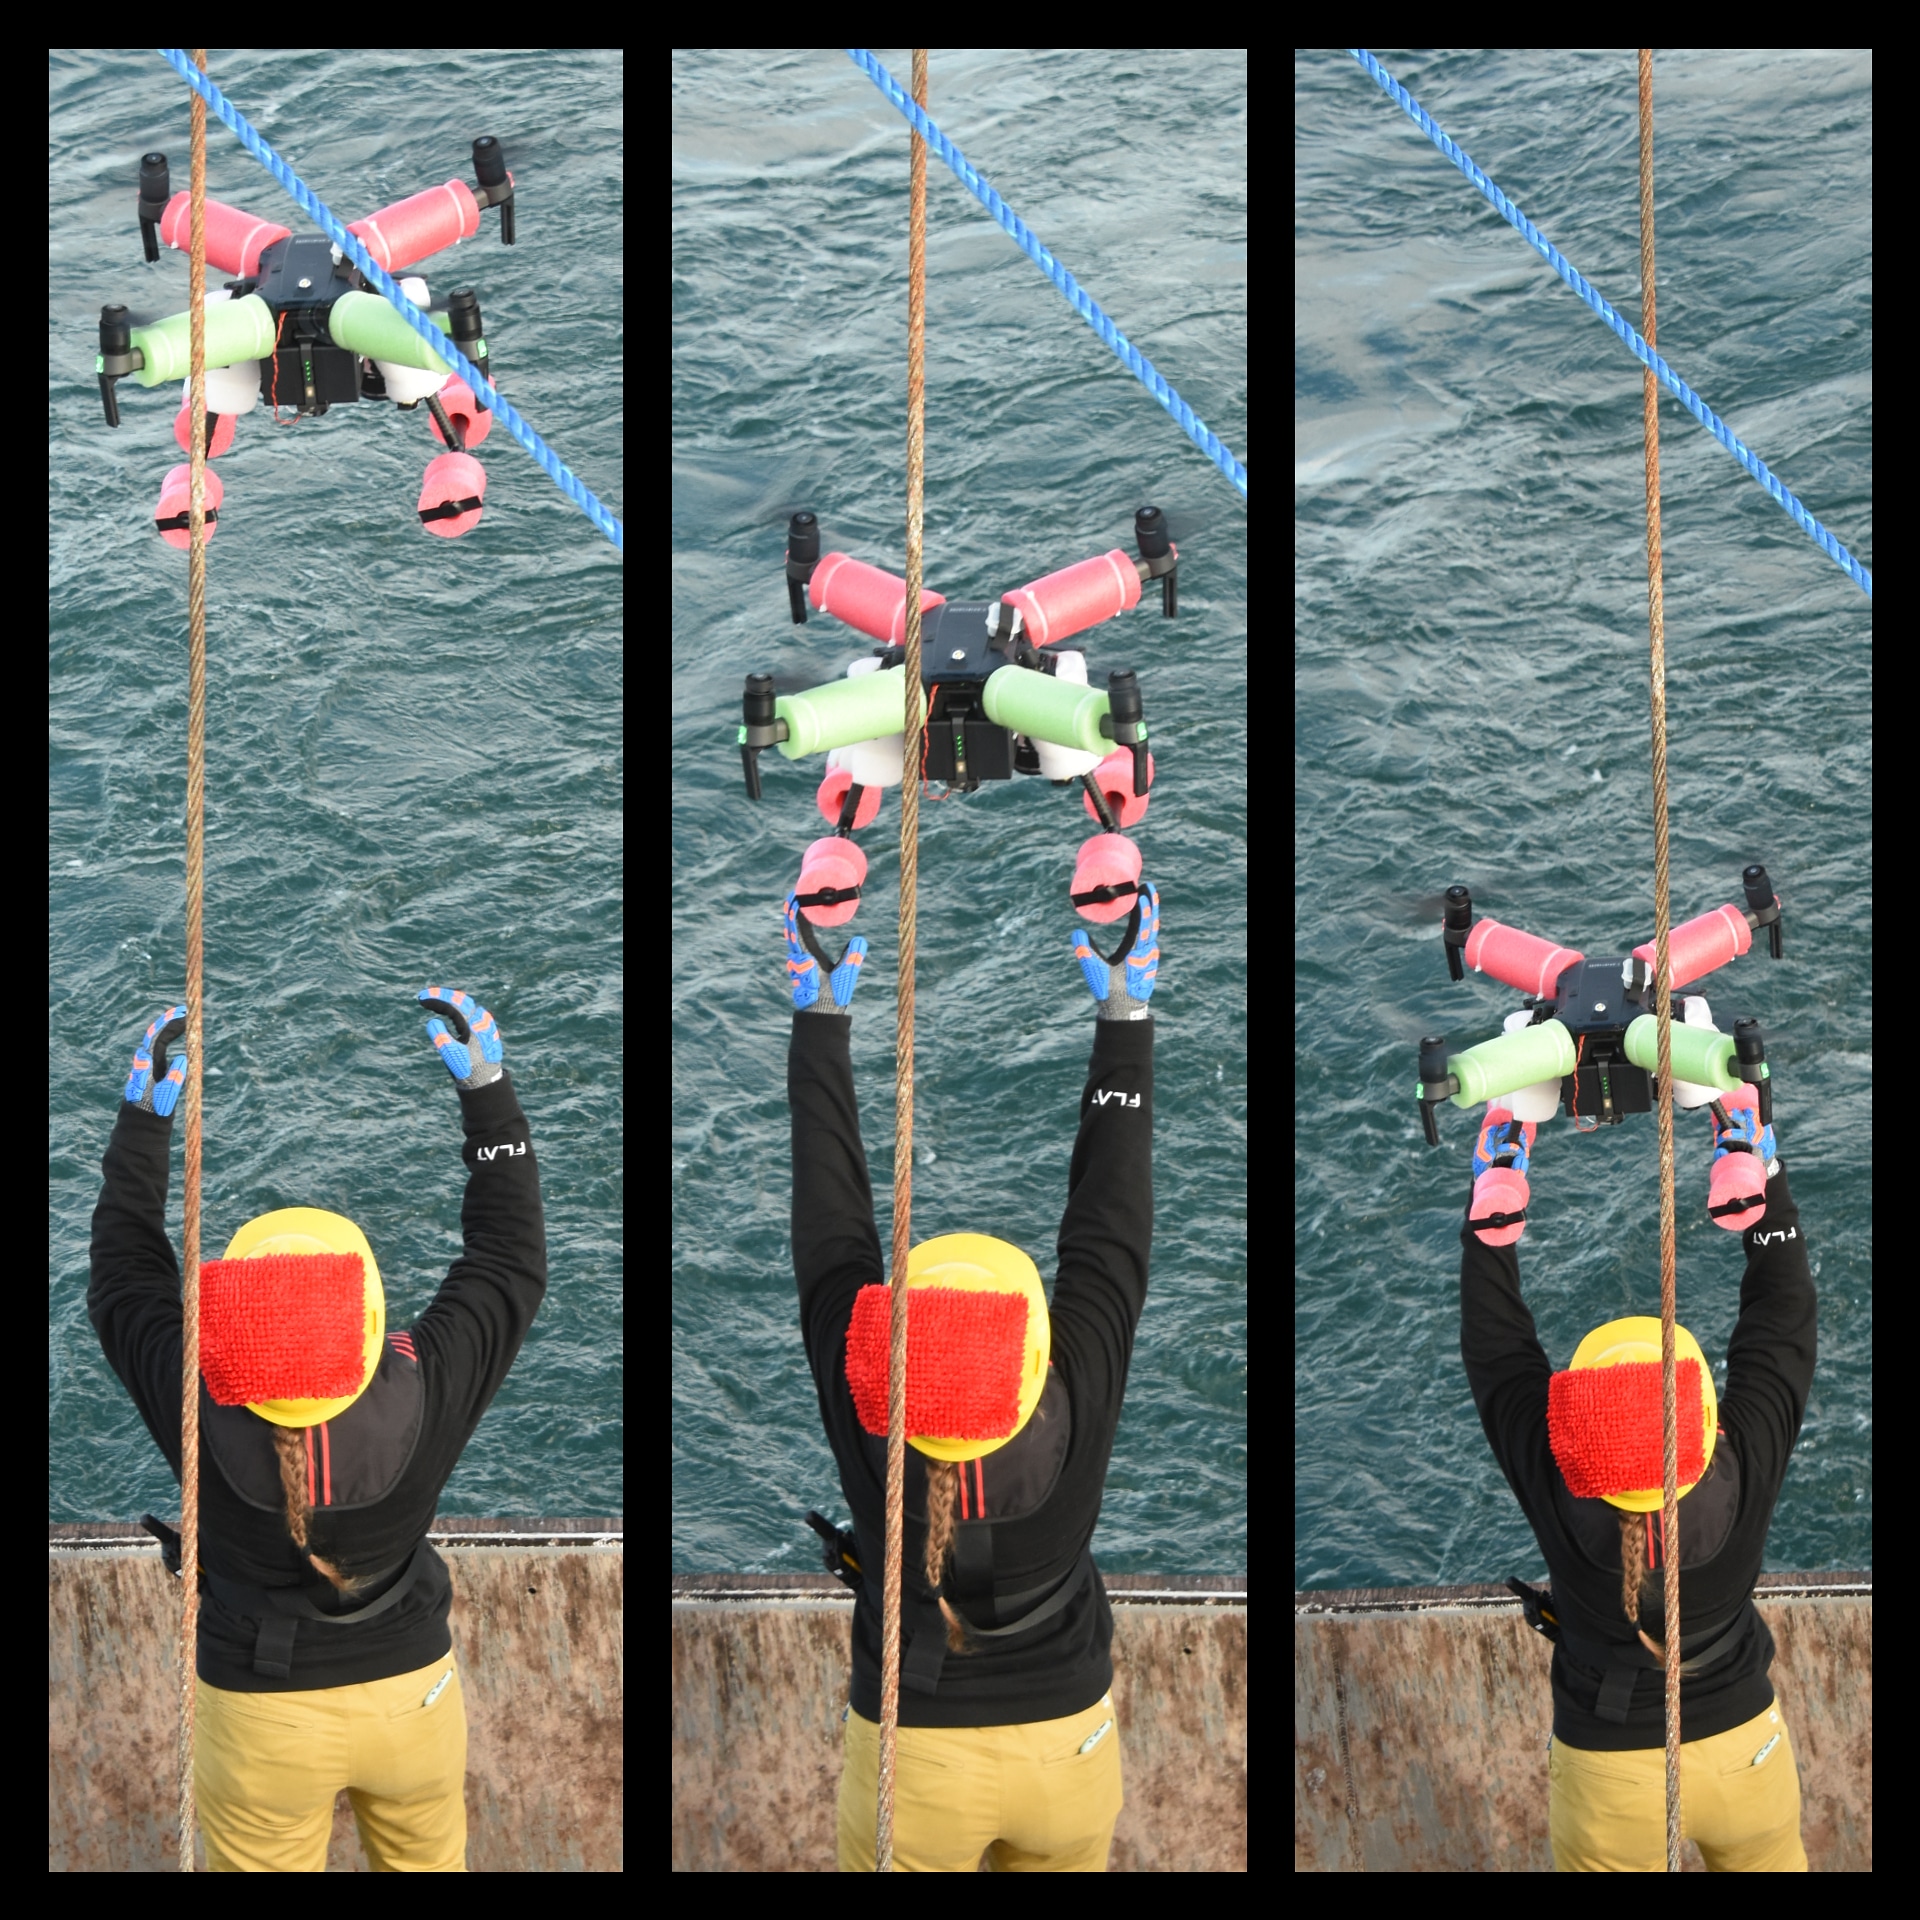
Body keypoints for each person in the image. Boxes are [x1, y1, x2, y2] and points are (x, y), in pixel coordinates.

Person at [87, 987, 546, 1873]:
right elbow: (509, 1257)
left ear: (230, 1329)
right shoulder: (424, 1389)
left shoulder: (198, 1401)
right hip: (411, 1697)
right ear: (370, 1324)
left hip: (260, 1716)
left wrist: (147, 1120)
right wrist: (488, 1093)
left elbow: (122, 1279)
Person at [783, 878, 1159, 1872]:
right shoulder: (1072, 1401)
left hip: (918, 1765)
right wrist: (1123, 1020)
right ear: (1033, 1354)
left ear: (884, 1363)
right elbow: (1109, 1229)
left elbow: (832, 1233)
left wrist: (823, 1022)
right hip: (1068, 1752)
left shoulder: (873, 1425)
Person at [1459, 1082, 1815, 1872]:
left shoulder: (1561, 1490)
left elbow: (1497, 1352)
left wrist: (1495, 1193)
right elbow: (1782, 1317)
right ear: (1701, 1424)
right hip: (1743, 1756)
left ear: (1575, 1436)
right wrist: (1759, 1157)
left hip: (1608, 1774)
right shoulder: (1742, 1466)